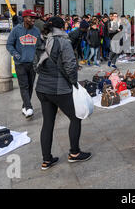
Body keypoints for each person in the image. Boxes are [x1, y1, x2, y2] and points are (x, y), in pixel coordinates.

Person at [34, 17, 92, 170]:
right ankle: (74, 153)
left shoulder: (40, 40)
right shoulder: (63, 42)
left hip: (41, 87)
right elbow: (71, 66)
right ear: (62, 27)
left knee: (47, 123)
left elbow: (36, 64)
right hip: (59, 88)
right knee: (76, 117)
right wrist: (74, 83)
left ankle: (46, 160)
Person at [6, 9, 41, 118]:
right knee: (24, 85)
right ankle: (29, 107)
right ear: (25, 18)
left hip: (33, 63)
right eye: (31, 18)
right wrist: (16, 55)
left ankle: (25, 106)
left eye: (34, 18)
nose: (33, 20)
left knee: (30, 86)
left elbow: (39, 46)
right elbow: (9, 45)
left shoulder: (36, 31)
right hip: (20, 63)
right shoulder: (16, 30)